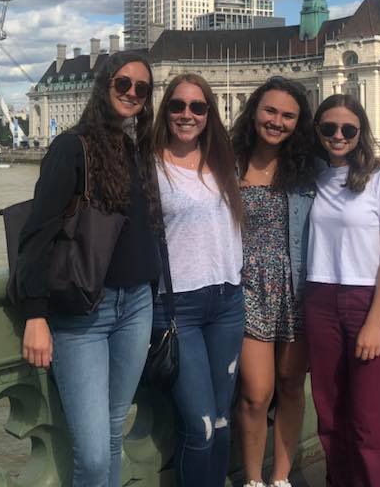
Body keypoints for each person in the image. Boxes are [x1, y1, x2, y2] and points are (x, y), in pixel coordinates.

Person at [14, 51, 161, 487]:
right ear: (104, 86)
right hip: (83, 314)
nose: (132, 93)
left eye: (142, 88)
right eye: (123, 84)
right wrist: (35, 314)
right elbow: (37, 233)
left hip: (136, 305)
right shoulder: (69, 147)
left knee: (113, 431)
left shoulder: (134, 149)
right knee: (94, 454)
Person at [304, 93, 380, 487]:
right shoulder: (313, 178)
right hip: (319, 301)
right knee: (331, 416)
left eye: (348, 129)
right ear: (317, 131)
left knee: (370, 425)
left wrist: (373, 323)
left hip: (367, 303)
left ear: (360, 133)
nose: (338, 135)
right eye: (328, 128)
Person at [152, 73, 245, 487]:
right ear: (165, 111)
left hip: (228, 301)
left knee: (223, 421)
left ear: (209, 114)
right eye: (177, 106)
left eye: (197, 107)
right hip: (178, 309)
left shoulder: (225, 162)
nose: (187, 115)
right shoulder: (149, 165)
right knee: (201, 426)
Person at [231, 77, 319, 487]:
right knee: (256, 392)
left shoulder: (308, 170)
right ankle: (252, 479)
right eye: (270, 111)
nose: (277, 122)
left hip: (297, 287)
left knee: (289, 384)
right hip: (247, 288)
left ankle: (281, 477)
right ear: (254, 112)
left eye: (288, 115)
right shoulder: (227, 162)